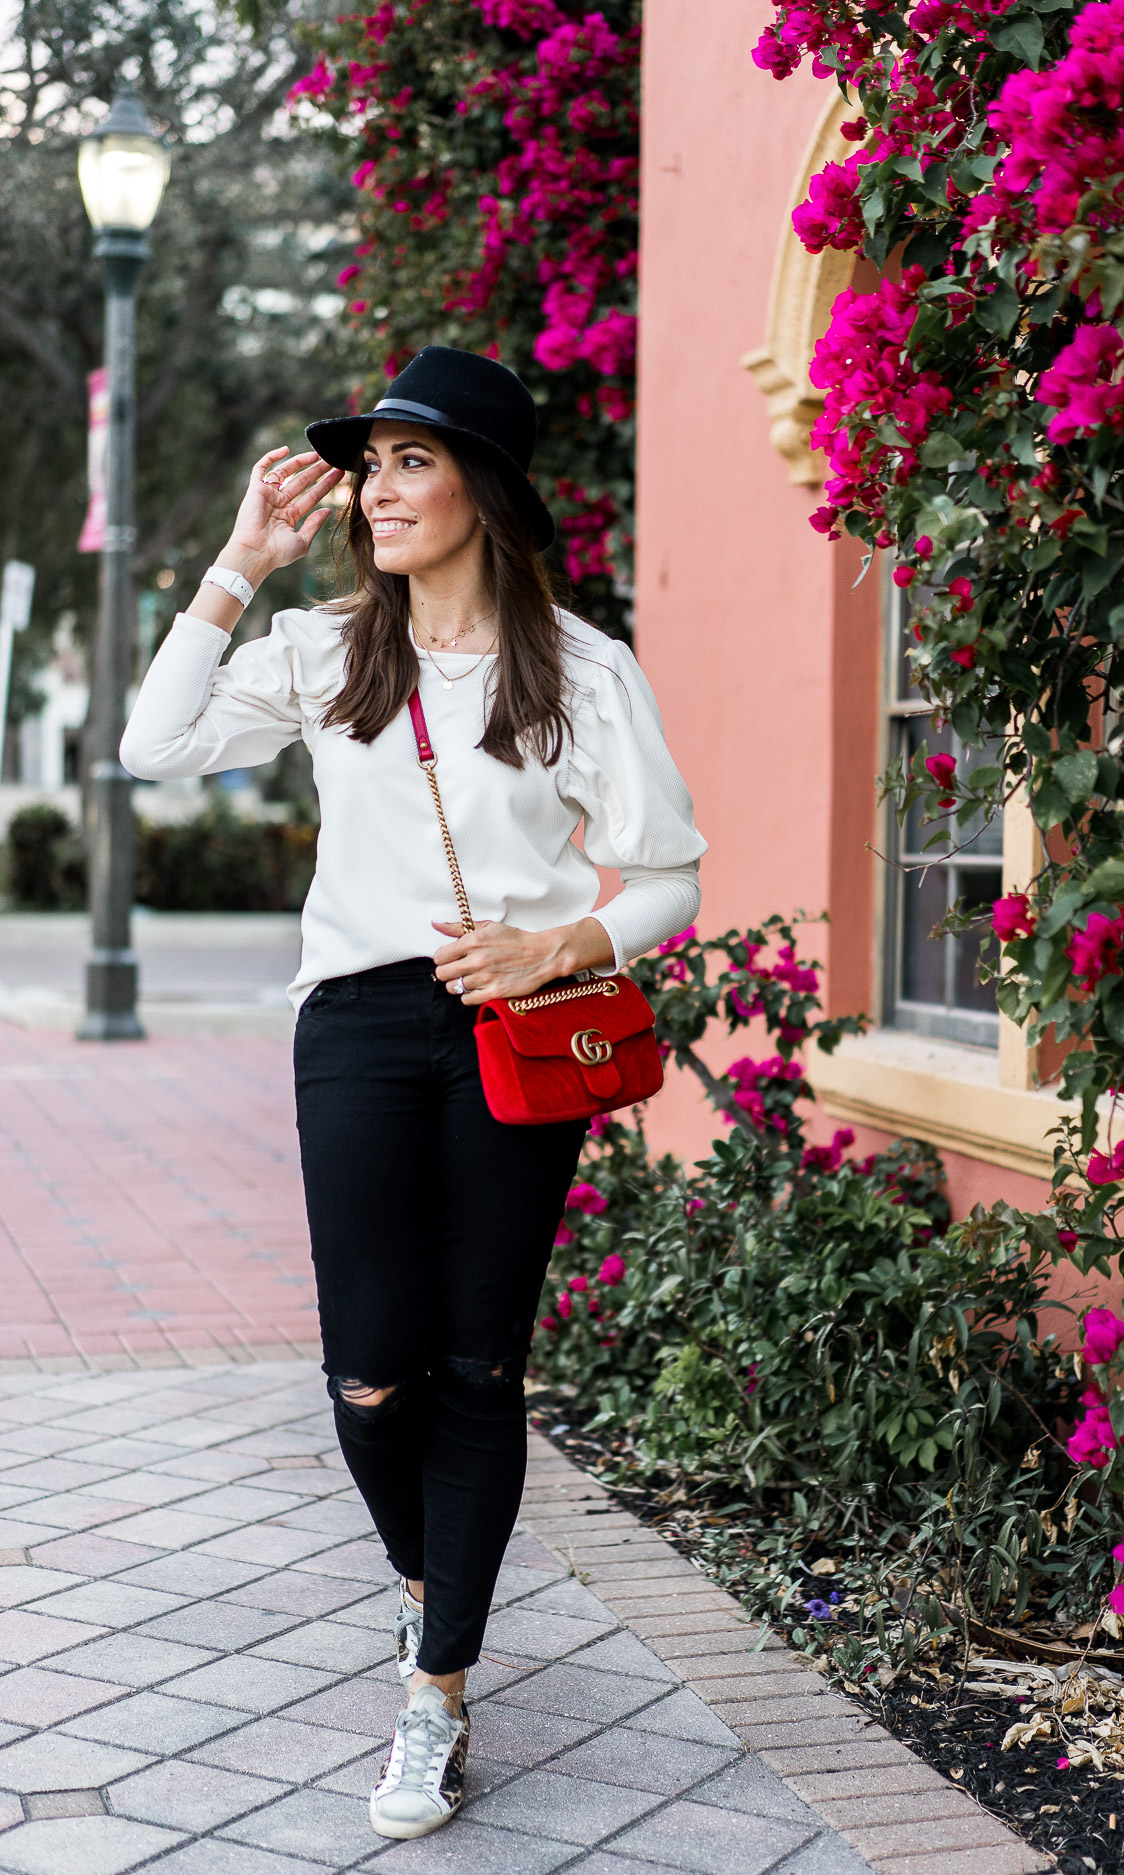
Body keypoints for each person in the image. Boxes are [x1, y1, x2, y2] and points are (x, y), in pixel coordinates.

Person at [120, 346, 705, 1840]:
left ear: (483, 491)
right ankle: (427, 1588)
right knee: (370, 1376)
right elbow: (153, 744)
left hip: (517, 1026)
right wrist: (243, 561)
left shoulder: (579, 668)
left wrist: (552, 942)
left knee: (477, 1368)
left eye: (409, 462)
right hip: (362, 1031)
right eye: (368, 463)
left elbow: (671, 880)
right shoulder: (329, 654)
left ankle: (435, 1690)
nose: (377, 489)